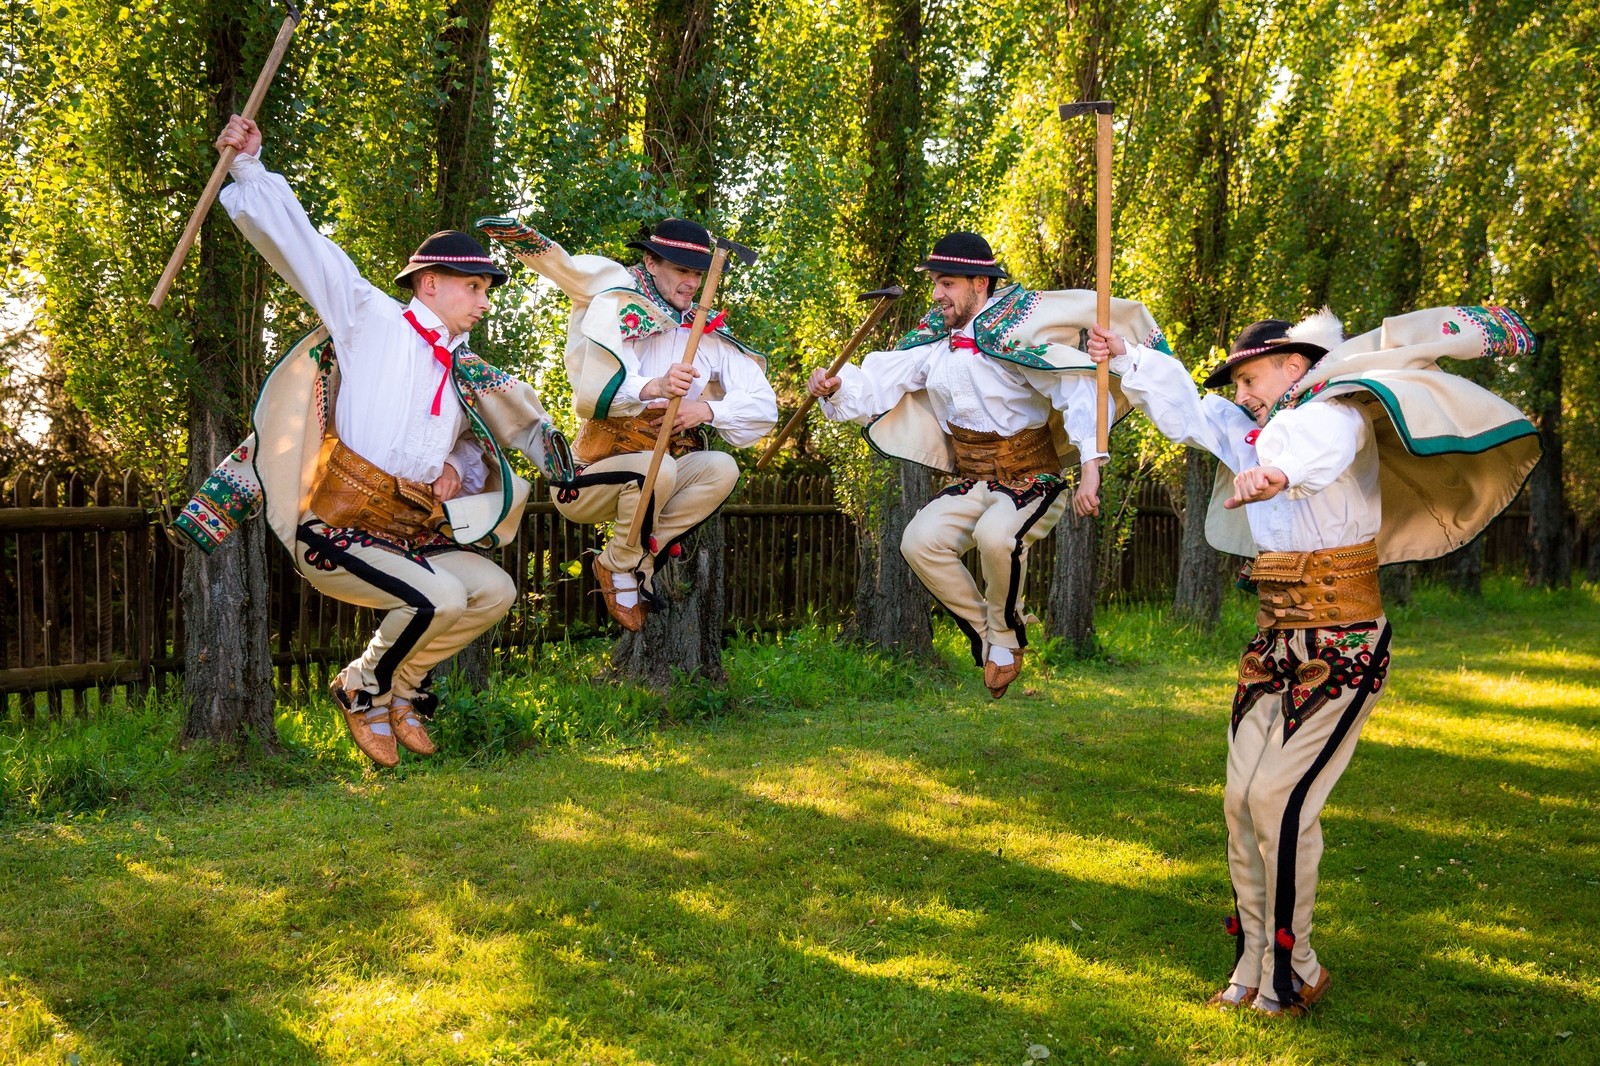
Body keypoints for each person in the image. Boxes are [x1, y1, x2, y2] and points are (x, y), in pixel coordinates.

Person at [1088, 304, 1541, 1015]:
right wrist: (1126, 356)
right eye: (1239, 385)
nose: (1242, 394)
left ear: (1294, 365)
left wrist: (1275, 476)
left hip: (1344, 641)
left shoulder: (1335, 414)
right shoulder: (1253, 429)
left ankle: (1294, 968)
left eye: (1251, 378)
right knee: (1241, 801)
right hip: (1275, 641)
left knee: (1280, 799)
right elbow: (1192, 412)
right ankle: (1252, 960)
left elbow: (1314, 455)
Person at [175, 115, 572, 769]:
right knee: (440, 598)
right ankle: (362, 687)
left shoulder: (465, 371)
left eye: (486, 290)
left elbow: (474, 446)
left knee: (493, 591)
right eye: (474, 287)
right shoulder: (369, 317)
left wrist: (455, 461)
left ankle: (400, 691)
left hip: (408, 532)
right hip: (337, 527)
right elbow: (305, 249)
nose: (484, 302)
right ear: (429, 283)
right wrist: (248, 166)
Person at [805, 232, 1166, 697]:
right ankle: (988, 636)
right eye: (936, 283)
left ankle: (1008, 635)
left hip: (1030, 478)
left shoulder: (1016, 336)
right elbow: (878, 382)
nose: (937, 294)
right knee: (919, 542)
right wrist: (836, 387)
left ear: (980, 283)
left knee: (996, 537)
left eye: (947, 283)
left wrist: (1091, 467)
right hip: (972, 478)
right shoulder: (935, 341)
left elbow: (1077, 390)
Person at [477, 216, 777, 631]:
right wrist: (655, 386)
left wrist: (706, 412)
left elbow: (764, 407)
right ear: (651, 263)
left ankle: (638, 558)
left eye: (698, 273)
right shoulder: (617, 304)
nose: (691, 283)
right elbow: (595, 387)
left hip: (658, 482)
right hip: (588, 480)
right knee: (659, 467)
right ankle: (618, 564)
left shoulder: (707, 334)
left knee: (721, 468)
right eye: (682, 270)